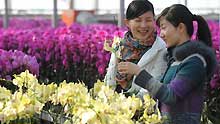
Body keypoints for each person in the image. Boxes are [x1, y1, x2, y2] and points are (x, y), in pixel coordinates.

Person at [118, 4, 217, 124]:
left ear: (180, 27)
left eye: (164, 28)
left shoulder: (194, 62)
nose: (161, 34)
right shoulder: (175, 60)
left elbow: (171, 95)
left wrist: (138, 72)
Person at [104, 0, 167, 98]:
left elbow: (152, 90)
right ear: (127, 23)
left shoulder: (161, 49)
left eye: (148, 20)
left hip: (143, 109)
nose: (143, 25)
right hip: (113, 107)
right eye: (138, 20)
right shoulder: (119, 45)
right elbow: (109, 80)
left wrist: (128, 106)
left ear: (154, 21)